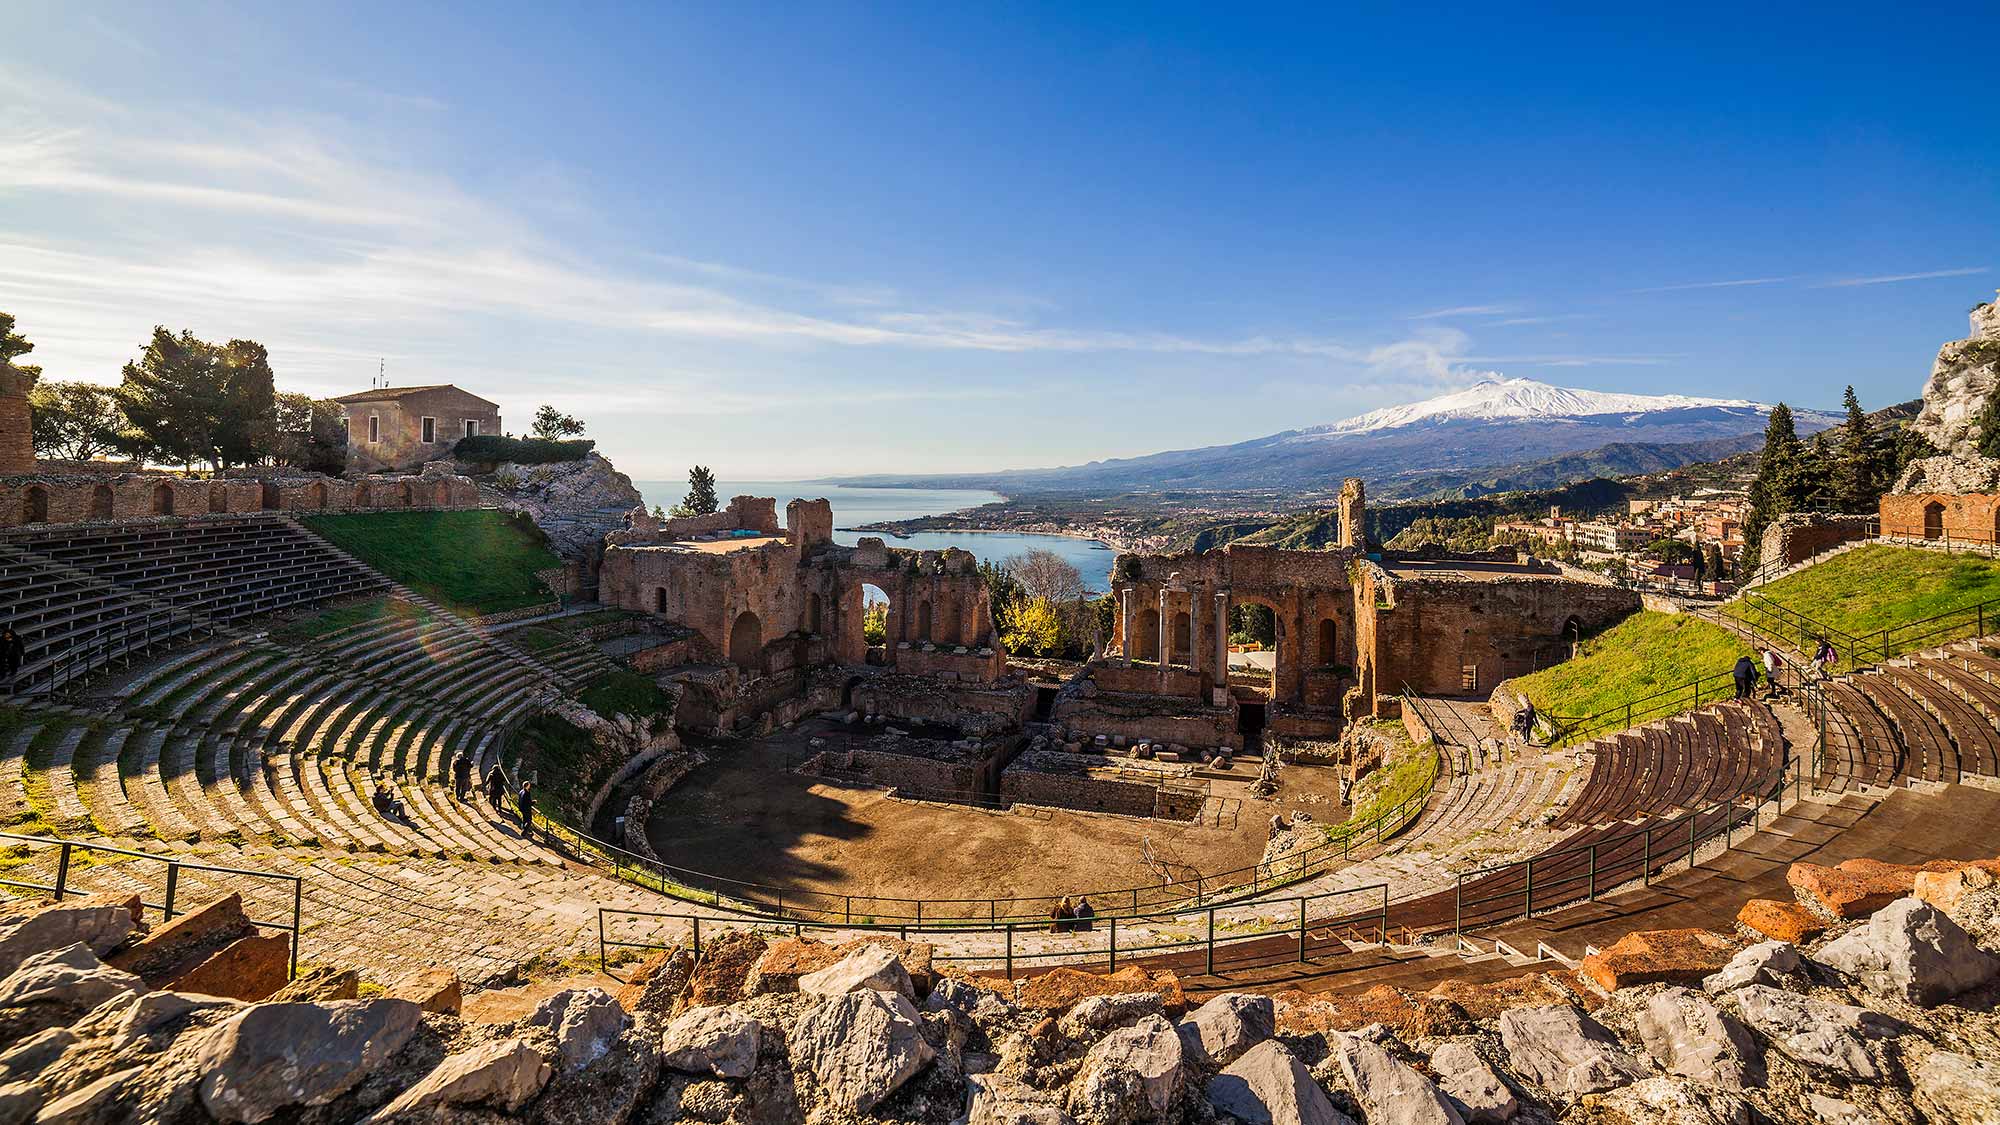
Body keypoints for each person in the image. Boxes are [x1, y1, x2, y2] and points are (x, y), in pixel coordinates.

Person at [0, 626, 23, 692]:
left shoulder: (16, 638)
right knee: (2, 664)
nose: (6, 635)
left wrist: (22, 652)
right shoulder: (2, 639)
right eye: (6, 634)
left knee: (13, 663)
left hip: (14, 654)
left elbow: (21, 646)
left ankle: (13, 671)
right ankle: (3, 674)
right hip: (4, 653)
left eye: (8, 634)